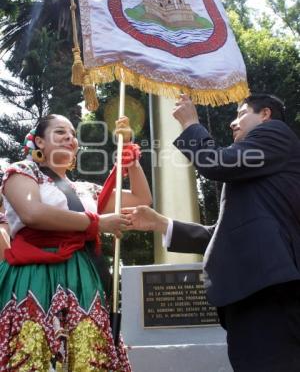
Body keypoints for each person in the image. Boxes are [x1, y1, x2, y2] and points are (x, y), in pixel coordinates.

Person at [124, 93, 300, 372]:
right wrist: (162, 224)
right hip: (252, 291)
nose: (233, 123)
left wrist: (192, 124)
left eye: (241, 113)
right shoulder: (259, 169)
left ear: (265, 114)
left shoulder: (276, 134)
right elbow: (228, 234)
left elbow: (216, 163)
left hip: (267, 289)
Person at [0, 113, 152, 371]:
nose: (69, 138)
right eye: (60, 132)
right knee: (33, 349)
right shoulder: (21, 171)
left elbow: (141, 198)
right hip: (35, 273)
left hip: (83, 275)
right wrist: (96, 223)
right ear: (39, 141)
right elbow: (32, 213)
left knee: (87, 352)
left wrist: (128, 152)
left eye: (72, 134)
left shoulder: (84, 189)